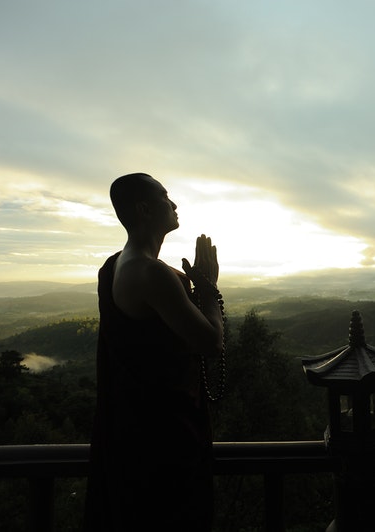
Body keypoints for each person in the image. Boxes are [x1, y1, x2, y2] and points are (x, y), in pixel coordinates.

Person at [84, 173, 224, 531]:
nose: (174, 204)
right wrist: (208, 288)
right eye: (166, 197)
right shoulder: (151, 273)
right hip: (162, 443)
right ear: (145, 209)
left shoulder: (115, 265)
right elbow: (209, 343)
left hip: (131, 435)